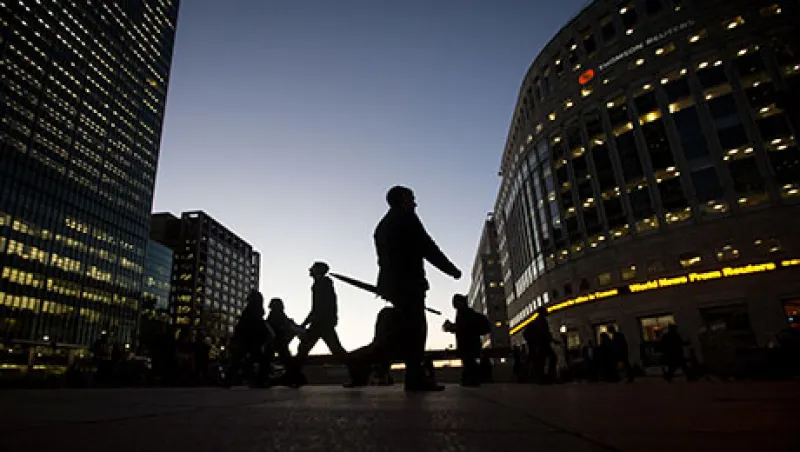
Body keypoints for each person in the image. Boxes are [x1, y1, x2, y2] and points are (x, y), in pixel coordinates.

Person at [347, 186, 462, 391]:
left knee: (405, 331)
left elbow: (383, 261)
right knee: (416, 331)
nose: (415, 203)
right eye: (412, 198)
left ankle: (366, 360)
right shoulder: (407, 218)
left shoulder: (382, 225)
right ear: (402, 199)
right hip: (410, 284)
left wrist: (385, 285)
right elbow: (427, 246)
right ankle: (407, 375)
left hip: (393, 285)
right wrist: (451, 270)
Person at [291, 262, 349, 386]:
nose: (310, 270)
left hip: (321, 323)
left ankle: (294, 377)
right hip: (322, 322)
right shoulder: (320, 284)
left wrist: (305, 324)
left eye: (312, 268)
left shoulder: (323, 284)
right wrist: (305, 323)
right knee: (334, 349)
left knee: (305, 349)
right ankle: (294, 377)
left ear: (318, 270)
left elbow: (320, 307)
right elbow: (317, 307)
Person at [442, 294, 491, 386]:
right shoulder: (466, 312)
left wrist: (451, 327)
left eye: (455, 302)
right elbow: (463, 328)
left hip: (468, 344)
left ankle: (471, 380)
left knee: (469, 362)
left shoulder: (464, 313)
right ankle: (470, 380)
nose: (454, 304)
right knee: (469, 362)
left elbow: (464, 328)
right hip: (470, 343)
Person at [226, 290, 272, 387]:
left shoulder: (249, 312)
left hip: (246, 341)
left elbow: (241, 328)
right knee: (259, 360)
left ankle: (232, 378)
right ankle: (258, 380)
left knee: (240, 360)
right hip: (250, 341)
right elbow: (255, 327)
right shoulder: (254, 313)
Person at [523, 307, 557, 384]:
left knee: (544, 360)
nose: (547, 312)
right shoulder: (538, 322)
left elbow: (546, 333)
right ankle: (545, 377)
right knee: (543, 360)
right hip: (541, 344)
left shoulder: (541, 321)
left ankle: (545, 376)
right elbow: (544, 333)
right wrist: (534, 343)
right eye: (545, 311)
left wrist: (552, 340)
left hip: (543, 344)